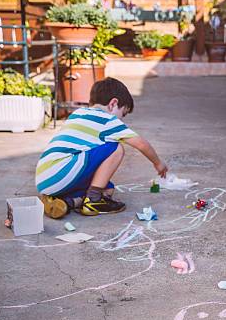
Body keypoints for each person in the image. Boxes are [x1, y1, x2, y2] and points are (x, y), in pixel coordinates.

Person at [36, 77, 168, 218]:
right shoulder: (108, 120)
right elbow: (141, 144)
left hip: (45, 180)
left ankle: (67, 202)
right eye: (122, 114)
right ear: (113, 104)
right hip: (62, 173)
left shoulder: (78, 113)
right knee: (116, 148)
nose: (121, 120)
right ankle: (93, 200)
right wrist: (158, 163)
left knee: (107, 188)